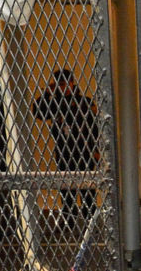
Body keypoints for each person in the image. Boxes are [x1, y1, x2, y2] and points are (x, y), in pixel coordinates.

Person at [32, 68, 99, 223]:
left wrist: (96, 149)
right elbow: (37, 112)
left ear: (71, 83)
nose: (61, 88)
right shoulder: (54, 103)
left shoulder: (85, 102)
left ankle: (90, 219)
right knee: (66, 187)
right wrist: (48, 93)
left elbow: (94, 127)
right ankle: (69, 219)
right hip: (64, 151)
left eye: (63, 84)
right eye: (58, 85)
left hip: (85, 150)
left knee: (86, 188)